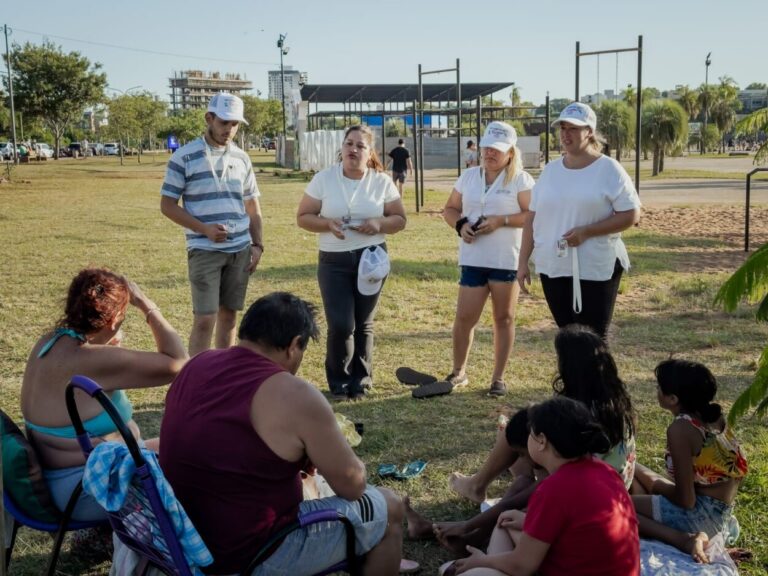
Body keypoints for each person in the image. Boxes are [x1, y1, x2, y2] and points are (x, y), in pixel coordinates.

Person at [159, 292, 404, 575]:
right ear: (294, 345)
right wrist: (350, 459)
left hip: (186, 538)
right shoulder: (294, 393)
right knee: (389, 506)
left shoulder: (198, 364)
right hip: (252, 553)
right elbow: (353, 487)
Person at [416, 324, 636, 554]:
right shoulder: (615, 399)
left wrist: (471, 525)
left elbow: (521, 564)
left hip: (591, 498)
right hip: (614, 487)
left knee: (518, 450)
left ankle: (476, 511)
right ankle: (477, 512)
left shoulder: (578, 422)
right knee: (520, 439)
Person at [20, 268, 187, 521]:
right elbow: (178, 362)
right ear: (114, 318)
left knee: (182, 447)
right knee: (197, 461)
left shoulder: (47, 343)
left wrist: (104, 345)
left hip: (60, 478)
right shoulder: (94, 361)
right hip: (84, 490)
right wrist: (147, 306)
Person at [448, 397, 640, 576]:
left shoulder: (553, 489)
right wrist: (527, 521)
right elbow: (580, 528)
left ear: (541, 441)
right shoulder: (605, 472)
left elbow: (522, 565)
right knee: (503, 523)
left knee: (462, 571)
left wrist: (484, 561)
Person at [297, 125, 406, 399]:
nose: (353, 150)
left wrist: (377, 222)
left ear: (370, 153)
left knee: (364, 322)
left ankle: (362, 380)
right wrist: (326, 224)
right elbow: (303, 216)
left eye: (360, 145)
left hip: (371, 259)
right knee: (341, 324)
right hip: (333, 261)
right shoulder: (324, 178)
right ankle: (339, 380)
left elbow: (399, 220)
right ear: (341, 148)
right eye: (348, 144)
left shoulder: (381, 181)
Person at [517, 102, 641, 341]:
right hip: (554, 266)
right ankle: (572, 379)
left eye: (573, 128)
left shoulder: (608, 169)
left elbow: (631, 214)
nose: (565, 134)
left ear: (589, 132)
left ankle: (596, 380)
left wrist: (587, 231)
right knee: (567, 336)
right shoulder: (551, 170)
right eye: (562, 127)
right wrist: (522, 261)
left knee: (593, 338)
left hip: (596, 266)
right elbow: (532, 215)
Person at [430, 121, 533, 398]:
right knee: (464, 318)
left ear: (510, 153)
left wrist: (503, 221)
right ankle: (458, 371)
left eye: (497, 150)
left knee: (504, 318)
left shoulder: (521, 180)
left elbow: (532, 215)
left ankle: (498, 378)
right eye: (487, 147)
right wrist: (460, 224)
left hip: (506, 261)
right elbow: (449, 209)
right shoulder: (468, 177)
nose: (490, 154)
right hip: (473, 259)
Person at [160, 92, 264, 356]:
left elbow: (252, 205)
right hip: (204, 250)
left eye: (235, 124)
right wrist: (204, 229)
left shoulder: (242, 158)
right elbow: (167, 205)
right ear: (209, 118)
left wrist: (258, 244)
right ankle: (197, 379)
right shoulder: (183, 157)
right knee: (205, 319)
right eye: (224, 122)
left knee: (229, 318)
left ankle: (222, 376)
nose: (229, 129)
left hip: (239, 249)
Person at [632, 359, 748, 559]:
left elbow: (686, 500)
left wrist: (658, 486)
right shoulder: (715, 417)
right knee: (635, 467)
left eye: (659, 387)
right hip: (721, 512)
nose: (656, 390)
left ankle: (682, 538)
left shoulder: (681, 429)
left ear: (673, 399)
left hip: (698, 516)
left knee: (614, 506)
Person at [404, 408, 543, 556]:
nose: (524, 460)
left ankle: (472, 537)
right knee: (522, 483)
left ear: (541, 441)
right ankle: (470, 536)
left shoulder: (557, 475)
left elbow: (511, 504)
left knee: (511, 514)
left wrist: (467, 526)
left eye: (522, 454)